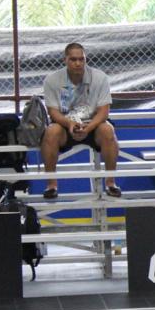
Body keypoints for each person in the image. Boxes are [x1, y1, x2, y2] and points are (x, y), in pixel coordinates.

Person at [40, 43, 121, 200]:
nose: (78, 63)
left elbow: (104, 111)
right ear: (65, 60)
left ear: (85, 60)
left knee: (108, 130)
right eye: (73, 59)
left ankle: (111, 182)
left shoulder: (100, 78)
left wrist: (89, 127)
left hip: (94, 124)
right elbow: (53, 112)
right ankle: (51, 185)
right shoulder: (52, 80)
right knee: (51, 132)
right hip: (65, 125)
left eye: (81, 59)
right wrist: (70, 124)